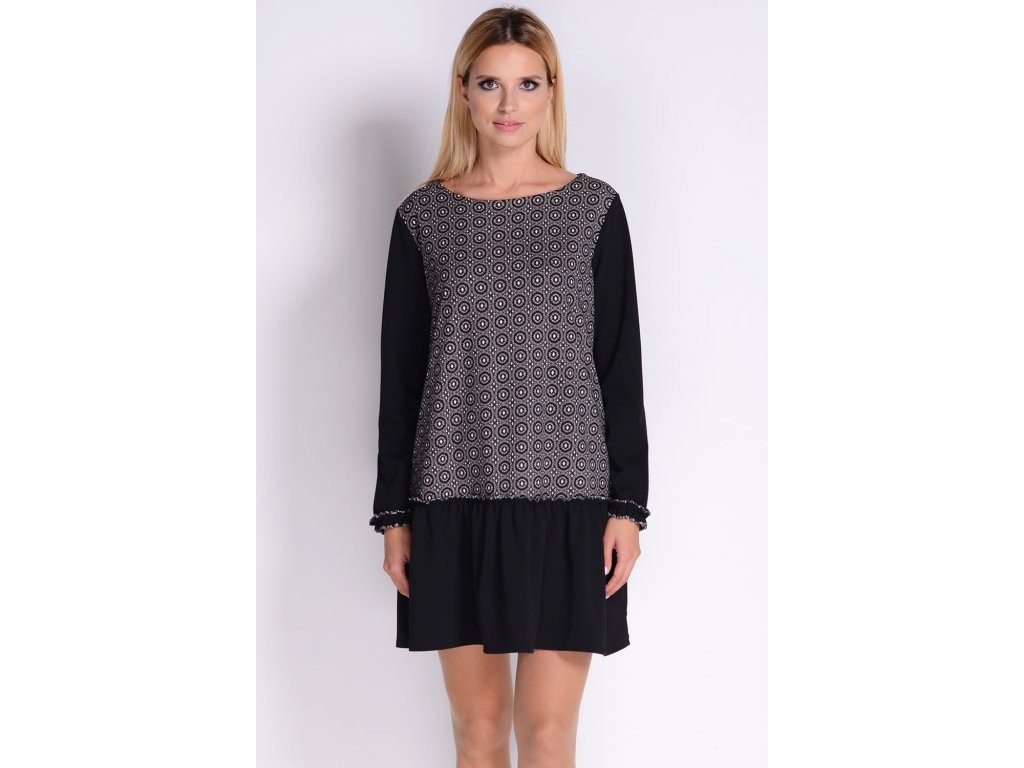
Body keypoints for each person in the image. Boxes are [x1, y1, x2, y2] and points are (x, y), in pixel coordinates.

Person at [370, 6, 650, 765]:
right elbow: (401, 377)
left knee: (549, 733)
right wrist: (394, 516)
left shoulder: (594, 209)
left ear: (552, 91)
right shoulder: (423, 217)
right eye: (490, 83)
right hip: (453, 496)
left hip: (569, 500)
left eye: (527, 84)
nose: (508, 104)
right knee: (478, 730)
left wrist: (627, 508)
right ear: (463, 90)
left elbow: (620, 364)